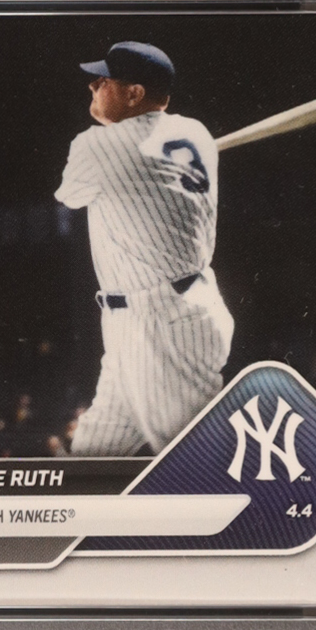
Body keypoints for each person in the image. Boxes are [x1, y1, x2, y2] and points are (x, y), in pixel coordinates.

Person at [54, 41, 234, 456]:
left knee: (198, 466)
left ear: (134, 93)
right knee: (93, 454)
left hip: (161, 323)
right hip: (150, 319)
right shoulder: (195, 132)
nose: (93, 86)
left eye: (104, 81)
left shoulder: (96, 144)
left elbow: (70, 196)